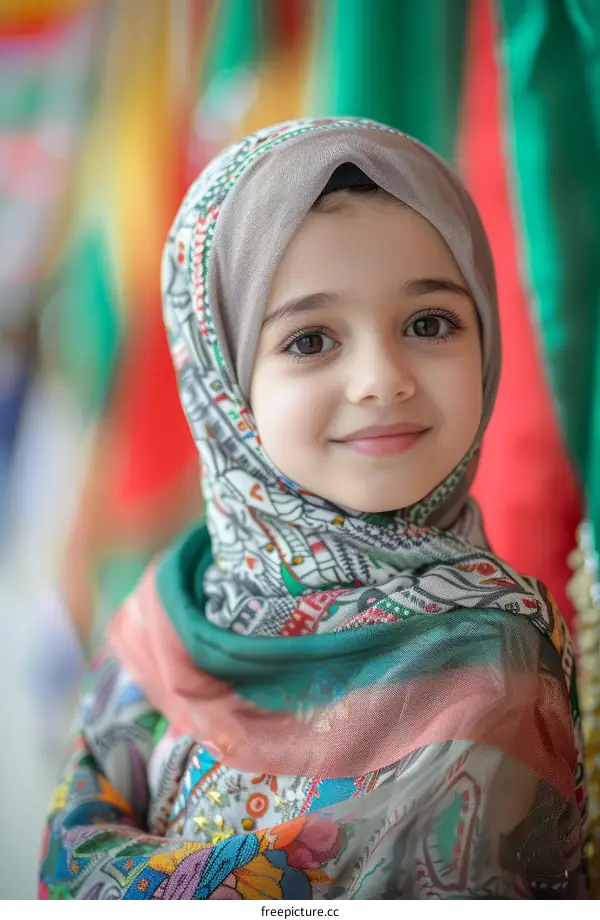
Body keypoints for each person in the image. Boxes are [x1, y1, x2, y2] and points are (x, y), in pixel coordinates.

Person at [39, 117, 587, 900]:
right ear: (223, 382)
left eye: (428, 324)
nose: (381, 378)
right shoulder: (164, 617)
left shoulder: (490, 670)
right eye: (311, 340)